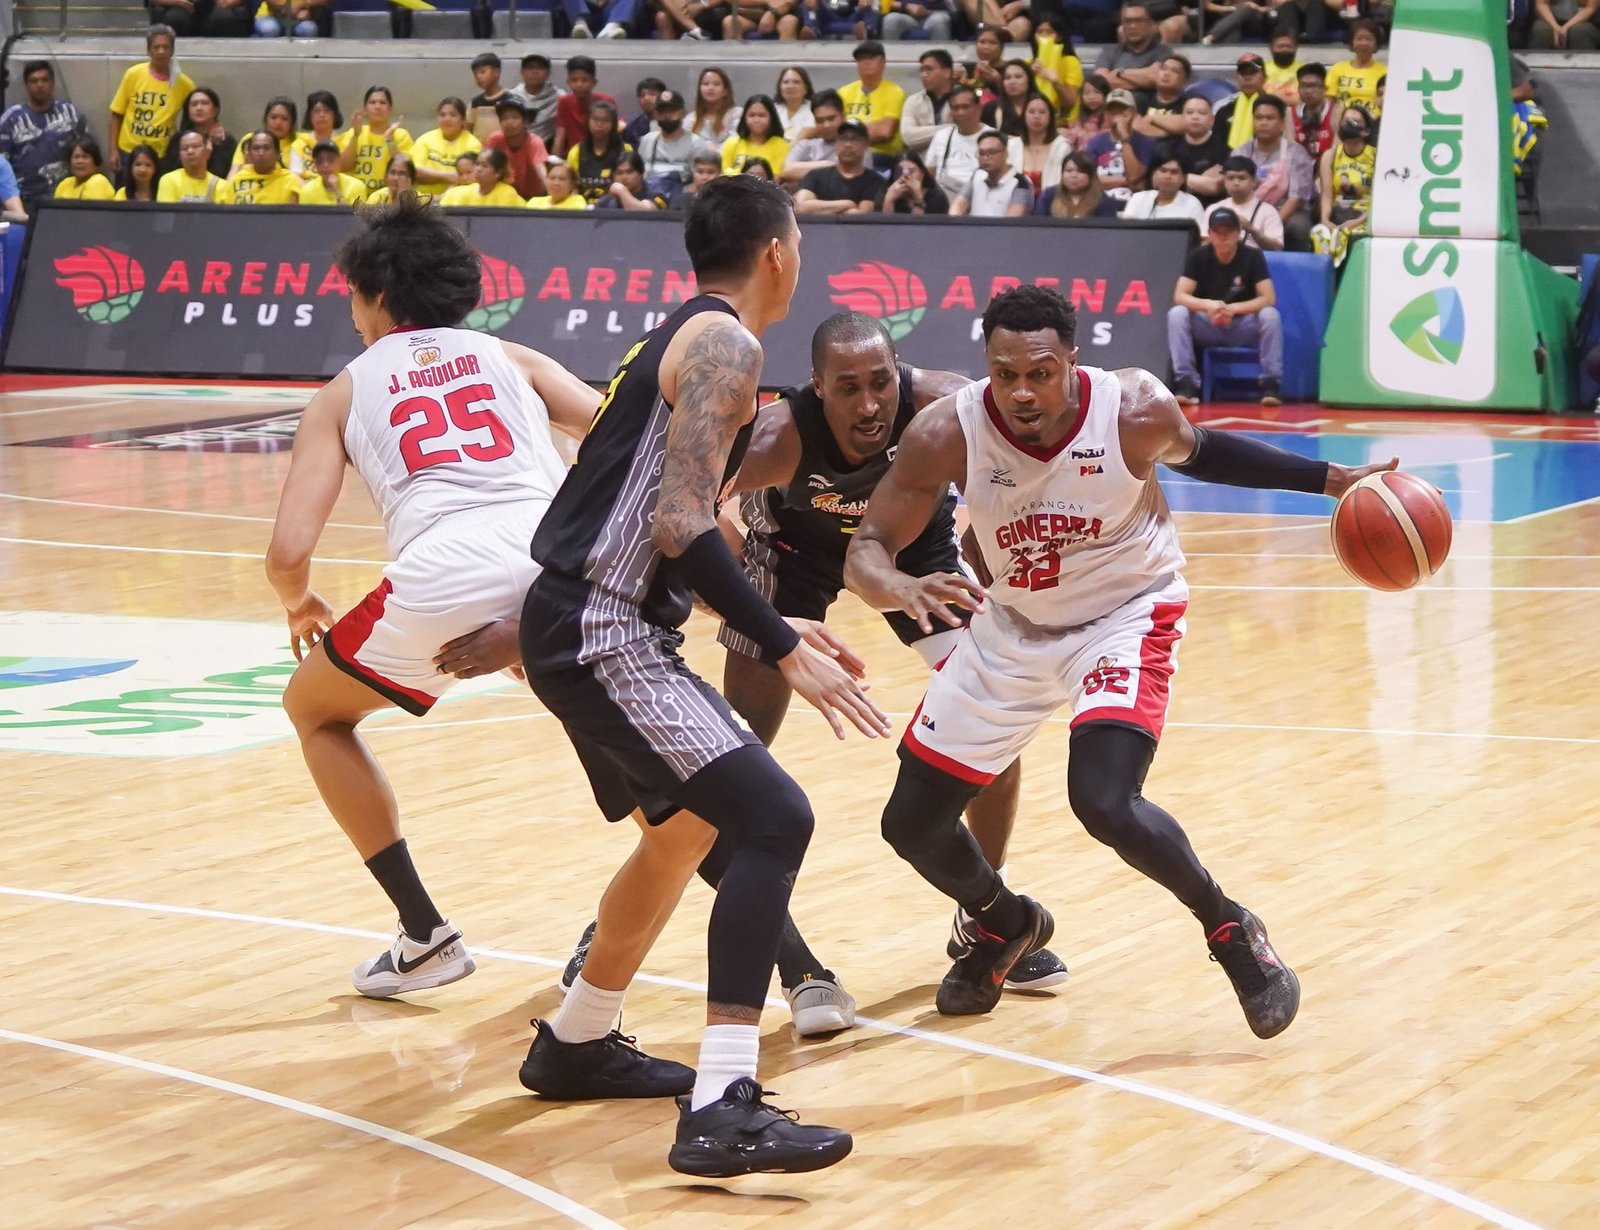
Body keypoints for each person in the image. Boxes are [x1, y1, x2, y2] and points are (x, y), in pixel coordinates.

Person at [844, 284, 1385, 1030]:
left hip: (1124, 614)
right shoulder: (949, 432)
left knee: (1103, 800)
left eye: (1040, 372)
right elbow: (867, 548)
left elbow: (1209, 452)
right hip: (1014, 625)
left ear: (1072, 360)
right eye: (1005, 374)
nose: (1022, 391)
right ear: (987, 368)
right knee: (910, 821)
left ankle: (1230, 928)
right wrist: (898, 587)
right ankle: (1004, 923)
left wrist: (1331, 481)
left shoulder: (1132, 408)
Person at [514, 176, 873, 1175]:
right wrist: (786, 647)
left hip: (590, 615)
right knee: (774, 818)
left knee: (691, 828)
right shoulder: (727, 346)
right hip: (603, 627)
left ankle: (577, 1038)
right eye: (797, 241)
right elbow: (678, 526)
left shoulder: (679, 336)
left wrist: (773, 619)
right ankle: (722, 1103)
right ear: (776, 253)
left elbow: (656, 517)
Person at [267, 196, 596, 1006]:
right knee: (633, 748)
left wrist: (301, 601)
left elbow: (286, 553)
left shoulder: (343, 391)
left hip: (443, 578)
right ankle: (784, 954)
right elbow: (612, 428)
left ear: (378, 294)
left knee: (315, 712)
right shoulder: (510, 354)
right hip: (553, 566)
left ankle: (425, 935)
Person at [1168, 208, 1281, 405]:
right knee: (1177, 314)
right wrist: (1208, 306)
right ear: (1210, 234)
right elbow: (1180, 295)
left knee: (1270, 315)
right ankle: (1187, 383)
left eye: (1228, 231)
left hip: (1242, 325)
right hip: (1208, 324)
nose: (1222, 236)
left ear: (1238, 233)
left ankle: (1270, 384)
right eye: (1217, 232)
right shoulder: (1198, 256)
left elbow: (1268, 298)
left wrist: (1234, 309)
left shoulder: (1253, 256)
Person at [0, 61, 88, 212]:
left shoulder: (70, 113)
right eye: (34, 81)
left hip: (66, 199)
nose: (40, 85)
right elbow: (2, 165)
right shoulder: (10, 119)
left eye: (44, 80)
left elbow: (89, 152)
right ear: (26, 85)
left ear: (52, 83)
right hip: (24, 202)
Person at [108, 25, 195, 179]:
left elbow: (197, 115)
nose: (161, 51)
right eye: (156, 47)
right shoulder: (133, 74)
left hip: (161, 155)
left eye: (165, 47)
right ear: (148, 50)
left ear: (172, 51)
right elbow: (116, 114)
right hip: (128, 151)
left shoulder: (184, 84)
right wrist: (113, 150)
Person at [1232, 94, 1314, 252]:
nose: (1263, 123)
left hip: (1285, 212)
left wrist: (1270, 223)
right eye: (1259, 117)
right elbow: (1233, 190)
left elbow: (1297, 198)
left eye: (1270, 118)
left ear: (1282, 123)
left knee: (1298, 227)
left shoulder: (1296, 152)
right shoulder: (1240, 152)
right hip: (1248, 208)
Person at [1311, 109, 1374, 266]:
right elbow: (1326, 194)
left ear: (1366, 131)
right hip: (1337, 213)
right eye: (1345, 121)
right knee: (1321, 233)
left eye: (1355, 122)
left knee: (1350, 237)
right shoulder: (1330, 155)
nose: (1349, 125)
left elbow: (1379, 200)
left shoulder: (1376, 156)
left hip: (1364, 215)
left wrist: (1358, 221)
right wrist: (1325, 219)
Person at [838, 40, 906, 171]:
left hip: (880, 157)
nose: (866, 62)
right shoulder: (843, 92)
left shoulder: (895, 92)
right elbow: (834, 130)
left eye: (871, 58)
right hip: (843, 156)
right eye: (861, 59)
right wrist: (872, 125)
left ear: (883, 62)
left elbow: (885, 132)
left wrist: (849, 129)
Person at [793, 120, 882, 214]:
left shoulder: (874, 181)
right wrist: (846, 204)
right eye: (843, 139)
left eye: (855, 139)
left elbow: (861, 216)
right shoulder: (815, 176)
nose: (848, 144)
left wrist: (818, 208)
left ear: (866, 145)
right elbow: (800, 207)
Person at [341, 87, 414, 198]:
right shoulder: (354, 132)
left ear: (390, 109)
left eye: (382, 102)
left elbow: (405, 170)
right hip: (357, 197)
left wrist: (389, 140)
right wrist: (356, 135)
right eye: (372, 102)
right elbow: (343, 167)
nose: (377, 106)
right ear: (365, 109)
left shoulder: (401, 135)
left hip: (387, 197)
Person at [1094, 3, 1173, 104]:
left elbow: (1157, 77)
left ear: (1151, 24)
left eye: (1138, 21)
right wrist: (1144, 79)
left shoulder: (1164, 52)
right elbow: (1099, 83)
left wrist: (1120, 73)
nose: (1132, 26)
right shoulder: (1109, 51)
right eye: (1127, 21)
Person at [638, 90, 711, 196]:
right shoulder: (648, 140)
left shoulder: (696, 143)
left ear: (683, 113)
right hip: (647, 196)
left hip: (681, 199)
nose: (667, 115)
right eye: (662, 111)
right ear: (656, 114)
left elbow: (700, 180)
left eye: (672, 111)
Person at [1085, 89, 1156, 199]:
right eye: (1111, 110)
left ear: (1133, 113)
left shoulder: (1146, 143)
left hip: (1133, 202)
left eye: (1122, 110)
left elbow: (1134, 176)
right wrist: (1127, 182)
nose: (1116, 115)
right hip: (1100, 200)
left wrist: (1124, 138)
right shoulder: (1095, 143)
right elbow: (1089, 180)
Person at [1158, 95, 1227, 206]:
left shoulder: (1223, 150)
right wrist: (1200, 180)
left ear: (1211, 120)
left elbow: (1215, 186)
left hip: (1209, 209)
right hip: (1174, 208)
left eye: (1202, 113)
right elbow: (1159, 182)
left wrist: (1176, 179)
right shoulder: (1169, 149)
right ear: (1182, 117)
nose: (1195, 117)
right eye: (1190, 112)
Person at [1203, 156, 1284, 251]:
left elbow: (1277, 248)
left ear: (1253, 181)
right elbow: (1204, 243)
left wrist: (1252, 230)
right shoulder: (1214, 209)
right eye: (1230, 178)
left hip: (1254, 261)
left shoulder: (1268, 211)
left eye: (1242, 178)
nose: (1236, 183)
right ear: (1224, 181)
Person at [950, 130, 1032, 218]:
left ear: (1005, 154)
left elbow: (1013, 220)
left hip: (1002, 230)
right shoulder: (977, 175)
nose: (985, 158)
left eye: (992, 152)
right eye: (981, 153)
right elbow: (958, 205)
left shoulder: (1020, 183)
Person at [409, 99, 481, 197]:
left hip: (457, 201)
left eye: (453, 115)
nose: (447, 119)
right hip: (422, 199)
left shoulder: (473, 144)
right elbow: (415, 174)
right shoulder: (425, 139)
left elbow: (468, 180)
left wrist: (429, 176)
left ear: (463, 120)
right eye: (442, 115)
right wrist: (447, 176)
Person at [924, 86, 988, 197]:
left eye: (966, 107)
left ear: (978, 108)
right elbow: (929, 172)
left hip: (981, 197)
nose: (960, 113)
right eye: (955, 108)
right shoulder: (942, 136)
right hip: (945, 198)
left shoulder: (993, 137)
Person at [566, 100, 632, 203]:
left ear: (613, 124)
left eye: (605, 120)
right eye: (595, 119)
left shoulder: (625, 150)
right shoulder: (576, 151)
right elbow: (571, 187)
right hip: (583, 210)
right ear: (587, 121)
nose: (599, 124)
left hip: (615, 209)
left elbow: (631, 185)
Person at [485, 98, 550, 200]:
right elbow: (484, 165)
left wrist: (549, 186)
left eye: (514, 117)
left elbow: (540, 168)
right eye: (504, 118)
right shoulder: (494, 140)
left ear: (525, 122)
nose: (509, 122)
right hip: (503, 195)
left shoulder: (534, 142)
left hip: (533, 197)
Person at [1007, 96, 1071, 196]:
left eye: (1042, 112)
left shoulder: (1062, 147)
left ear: (1050, 116)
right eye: (1031, 112)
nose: (1036, 116)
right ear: (1024, 116)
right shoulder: (1011, 146)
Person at [217, 130, 302, 204]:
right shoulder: (235, 180)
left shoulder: (289, 181)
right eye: (256, 148)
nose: (261, 153)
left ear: (277, 154)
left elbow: (292, 217)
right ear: (249, 154)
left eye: (266, 148)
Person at [170, 87, 237, 179]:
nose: (199, 108)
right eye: (194, 104)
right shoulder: (178, 139)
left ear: (215, 110)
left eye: (205, 103)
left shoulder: (226, 140)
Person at [1035, 149, 1122, 218]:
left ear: (1091, 176)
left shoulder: (1103, 201)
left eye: (1080, 171)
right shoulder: (1049, 196)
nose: (1074, 175)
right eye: (1069, 170)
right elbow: (1038, 225)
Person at [555, 57, 616, 157]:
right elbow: (560, 136)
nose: (579, 84)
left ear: (594, 82)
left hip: (604, 156)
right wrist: (554, 162)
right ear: (568, 82)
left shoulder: (607, 101)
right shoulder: (564, 102)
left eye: (584, 80)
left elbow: (614, 132)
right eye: (574, 80)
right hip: (574, 157)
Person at [1120, 153, 1203, 225]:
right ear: (1154, 175)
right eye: (1163, 170)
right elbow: (1127, 230)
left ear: (1184, 178)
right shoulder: (1139, 198)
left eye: (1174, 172)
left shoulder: (1192, 204)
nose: (1167, 176)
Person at [781, 89, 843, 185]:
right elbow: (787, 170)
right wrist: (830, 165)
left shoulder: (857, 146)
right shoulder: (805, 145)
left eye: (831, 119)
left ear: (843, 116)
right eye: (820, 120)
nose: (826, 125)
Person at [902, 50, 955, 155]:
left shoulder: (963, 98)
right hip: (921, 164)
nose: (924, 75)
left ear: (947, 72)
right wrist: (952, 128)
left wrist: (923, 134)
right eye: (922, 70)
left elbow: (968, 133)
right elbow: (908, 137)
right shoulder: (913, 101)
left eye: (929, 69)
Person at [1327, 19, 1385, 113]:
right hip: (1342, 121)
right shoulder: (1338, 68)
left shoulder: (1385, 72)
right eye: (1359, 39)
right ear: (1351, 43)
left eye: (1369, 39)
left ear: (1376, 44)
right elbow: (1328, 100)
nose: (1364, 43)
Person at [722, 95, 790, 175]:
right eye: (752, 115)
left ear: (772, 118)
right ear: (744, 118)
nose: (756, 120)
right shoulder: (732, 143)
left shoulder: (780, 145)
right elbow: (724, 172)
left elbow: (776, 176)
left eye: (762, 115)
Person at [231, 97, 300, 175]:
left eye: (284, 118)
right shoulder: (251, 139)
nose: (278, 123)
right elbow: (234, 172)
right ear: (266, 119)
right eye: (273, 117)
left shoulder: (301, 141)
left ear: (292, 122)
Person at [1213, 53, 1266, 151]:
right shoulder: (1222, 107)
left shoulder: (1276, 107)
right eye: (1243, 73)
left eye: (1253, 72)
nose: (1247, 77)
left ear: (1264, 77)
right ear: (1236, 77)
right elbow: (1214, 144)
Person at [1132, 53, 1191, 139]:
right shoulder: (1141, 98)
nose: (1166, 73)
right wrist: (1170, 131)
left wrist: (1150, 118)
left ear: (1185, 81)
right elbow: (1136, 127)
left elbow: (1186, 124)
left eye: (1174, 71)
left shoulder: (1188, 103)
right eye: (1164, 68)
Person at [1289, 63, 1339, 162]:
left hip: (1328, 167)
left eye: (1313, 86)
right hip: (1300, 169)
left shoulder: (1336, 111)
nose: (1308, 91)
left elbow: (1337, 151)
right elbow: (1290, 150)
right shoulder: (1290, 112)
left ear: (1324, 88)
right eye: (1304, 86)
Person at [157, 129, 225, 202]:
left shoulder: (222, 185)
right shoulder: (169, 180)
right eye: (185, 148)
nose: (190, 151)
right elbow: (166, 212)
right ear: (180, 155)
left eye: (195, 146)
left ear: (207, 152)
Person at [876, 149, 949, 214]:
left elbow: (920, 227)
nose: (905, 177)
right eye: (900, 171)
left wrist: (918, 200)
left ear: (922, 173)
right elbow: (885, 227)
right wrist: (889, 200)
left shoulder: (936, 197)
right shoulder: (884, 193)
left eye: (912, 171)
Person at [292, 91, 346, 180]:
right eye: (317, 111)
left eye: (327, 110)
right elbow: (295, 177)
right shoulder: (300, 144)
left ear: (335, 115)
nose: (322, 115)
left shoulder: (345, 142)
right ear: (310, 116)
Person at [513, 54, 564, 147]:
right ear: (522, 72)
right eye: (530, 68)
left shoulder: (560, 97)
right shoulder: (512, 97)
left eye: (540, 68)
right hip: (518, 147)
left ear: (548, 72)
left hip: (547, 147)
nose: (534, 72)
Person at [981, 60, 1038, 141]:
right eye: (1007, 78)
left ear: (1029, 80)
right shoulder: (991, 109)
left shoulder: (1041, 105)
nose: (1012, 82)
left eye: (1018, 77)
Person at [595, 150, 669, 210]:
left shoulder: (656, 194)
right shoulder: (606, 201)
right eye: (619, 173)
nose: (624, 177)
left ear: (641, 174)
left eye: (629, 172)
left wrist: (622, 191)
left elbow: (644, 213)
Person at [690, 68, 741, 148]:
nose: (710, 88)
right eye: (706, 84)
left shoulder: (737, 114)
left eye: (716, 84)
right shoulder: (691, 119)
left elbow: (737, 143)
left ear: (725, 91)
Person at [468, 52, 514, 140]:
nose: (478, 76)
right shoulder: (475, 103)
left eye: (482, 72)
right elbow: (468, 129)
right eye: (475, 74)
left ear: (496, 72)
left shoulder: (510, 98)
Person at [774, 67, 817, 143]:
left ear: (806, 88)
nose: (790, 86)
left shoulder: (815, 109)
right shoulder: (773, 109)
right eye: (786, 82)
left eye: (796, 82)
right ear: (780, 87)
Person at [1262, 27, 1303, 105]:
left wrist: (1272, 98)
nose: (1284, 50)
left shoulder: (1304, 71)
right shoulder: (1261, 70)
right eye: (1280, 47)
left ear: (1296, 48)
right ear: (1271, 48)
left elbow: (1306, 101)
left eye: (1288, 46)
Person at [623, 77, 666, 146]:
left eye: (652, 94)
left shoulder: (673, 124)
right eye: (642, 95)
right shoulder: (631, 128)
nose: (647, 98)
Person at [884, 0, 954, 41]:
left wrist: (926, 12)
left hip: (933, 14)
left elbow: (951, 9)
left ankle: (941, 62)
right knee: (891, 19)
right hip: (906, 15)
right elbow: (888, 3)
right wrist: (906, 6)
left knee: (939, 20)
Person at [254, 0, 328, 37]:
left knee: (309, 29)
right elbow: (279, 6)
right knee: (270, 29)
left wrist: (305, 5)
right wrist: (296, 10)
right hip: (270, 16)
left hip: (298, 19)